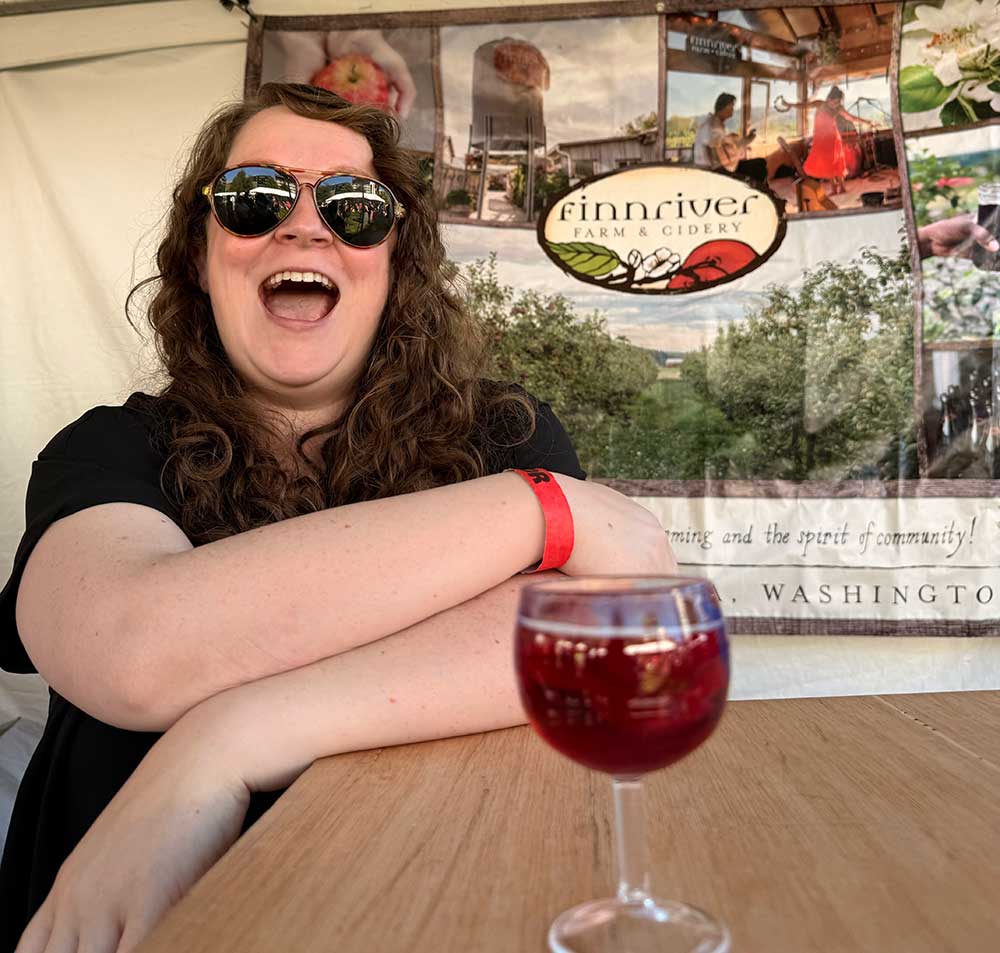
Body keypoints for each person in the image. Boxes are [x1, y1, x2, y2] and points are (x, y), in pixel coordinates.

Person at [0, 82, 676, 952]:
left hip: (439, 913)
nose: (305, 227)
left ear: (394, 264)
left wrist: (222, 740)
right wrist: (543, 508)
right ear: (200, 256)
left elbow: (596, 640)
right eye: (255, 198)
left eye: (354, 207)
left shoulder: (502, 432)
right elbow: (133, 653)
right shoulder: (108, 449)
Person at [779, 87, 876, 196]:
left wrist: (867, 122)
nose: (836, 104)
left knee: (836, 163)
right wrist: (789, 104)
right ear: (829, 99)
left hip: (833, 138)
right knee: (827, 165)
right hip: (820, 139)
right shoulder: (820, 104)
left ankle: (842, 187)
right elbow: (804, 105)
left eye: (838, 102)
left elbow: (851, 118)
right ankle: (834, 188)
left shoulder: (838, 108)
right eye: (835, 102)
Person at [693, 93, 767, 186]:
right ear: (726, 107)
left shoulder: (714, 123)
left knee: (760, 163)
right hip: (713, 173)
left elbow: (728, 146)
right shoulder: (713, 127)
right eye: (732, 107)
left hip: (722, 168)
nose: (733, 110)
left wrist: (747, 139)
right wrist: (736, 178)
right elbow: (716, 163)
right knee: (760, 166)